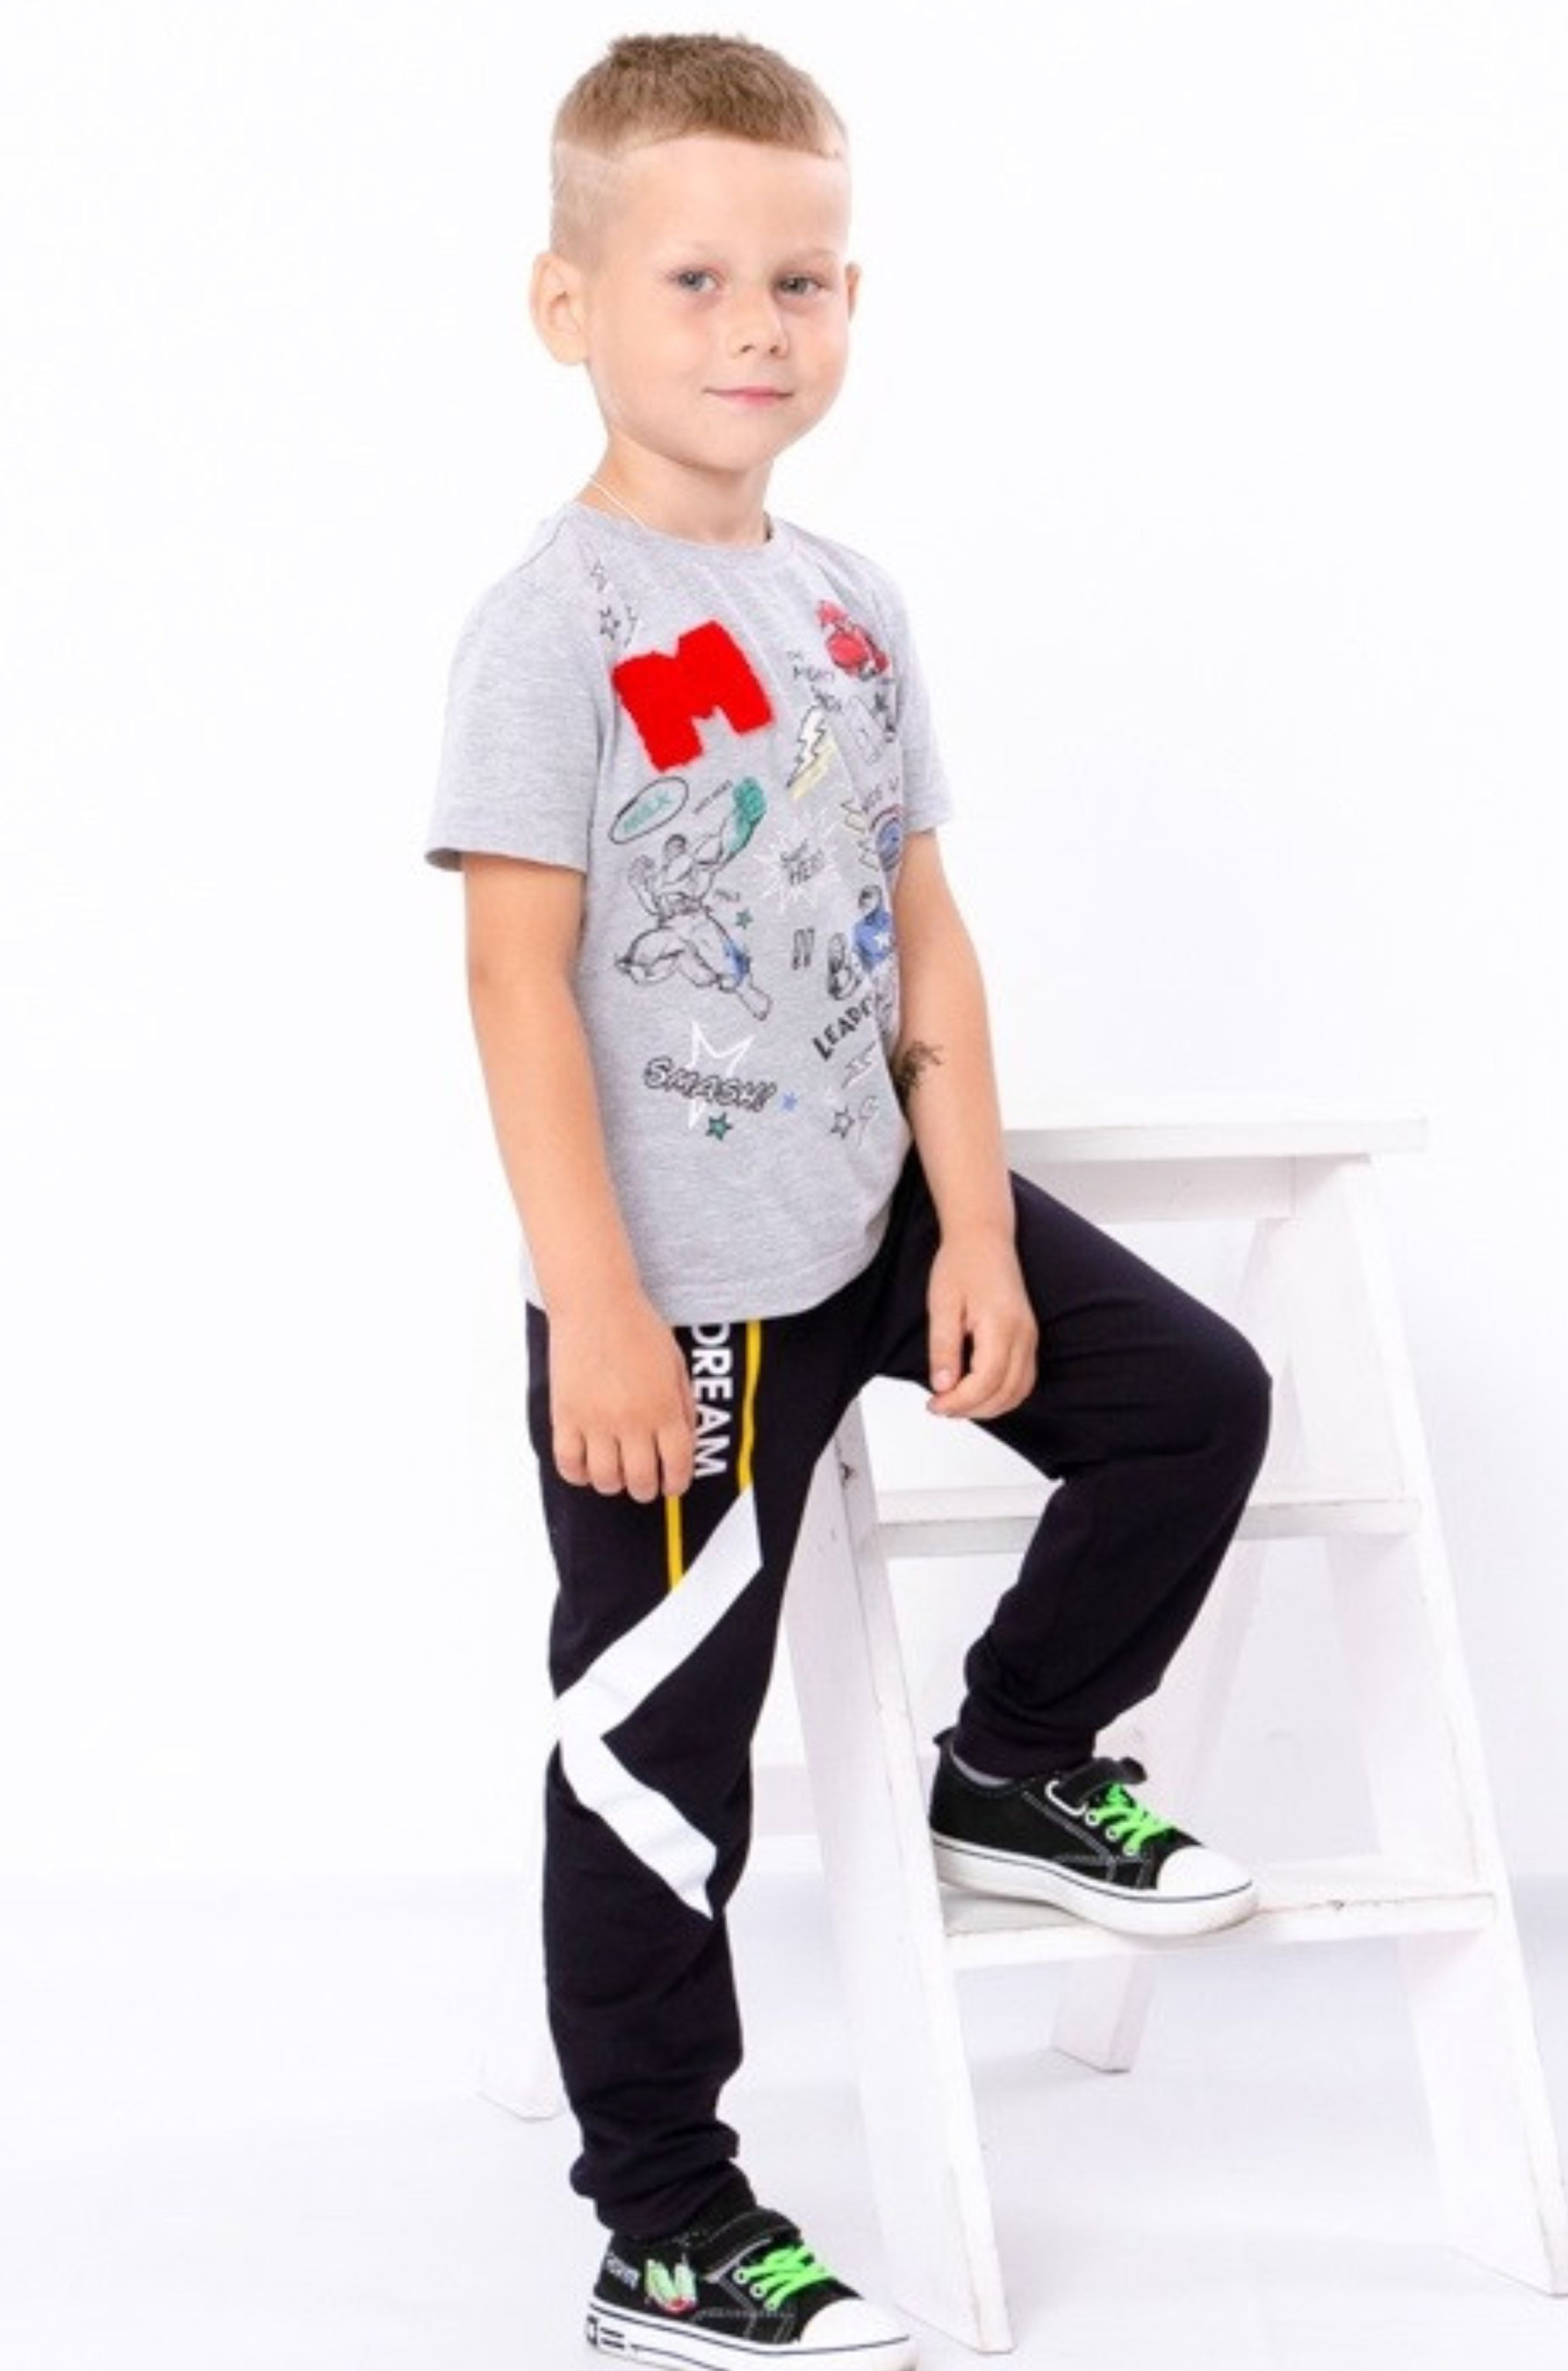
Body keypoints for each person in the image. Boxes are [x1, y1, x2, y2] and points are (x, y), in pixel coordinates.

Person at [424, 30, 1273, 2368]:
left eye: (798, 280)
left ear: (850, 301)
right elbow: (511, 981)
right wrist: (598, 1304)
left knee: (1193, 1399)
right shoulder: (556, 624)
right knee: (653, 1757)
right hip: (681, 1288)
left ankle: (1010, 1760)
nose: (755, 326)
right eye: (694, 279)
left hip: (876, 1201)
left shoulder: (855, 605)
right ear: (567, 304)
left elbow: (921, 932)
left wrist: (975, 1225)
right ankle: (666, 2225)